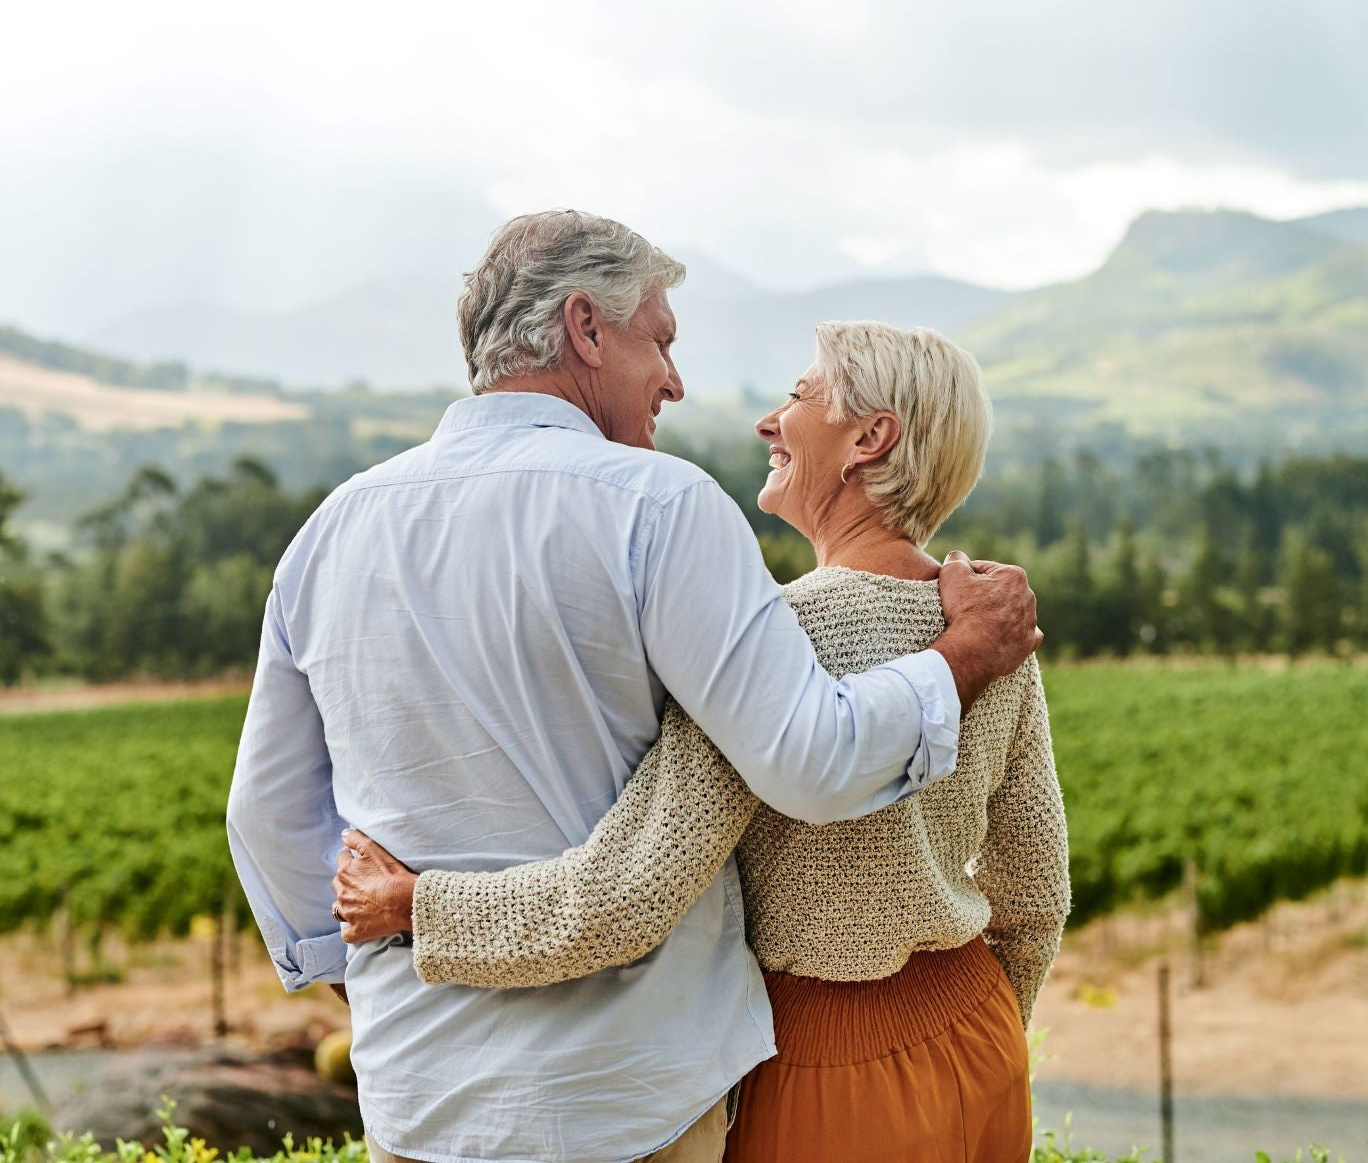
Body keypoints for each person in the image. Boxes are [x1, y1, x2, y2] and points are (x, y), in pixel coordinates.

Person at [228, 212, 1041, 1163]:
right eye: (659, 340)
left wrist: (377, 971)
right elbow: (817, 765)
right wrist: (962, 659)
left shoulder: (328, 531)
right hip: (637, 1096)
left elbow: (266, 813)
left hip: (422, 1091)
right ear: (584, 327)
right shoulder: (662, 507)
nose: (677, 381)